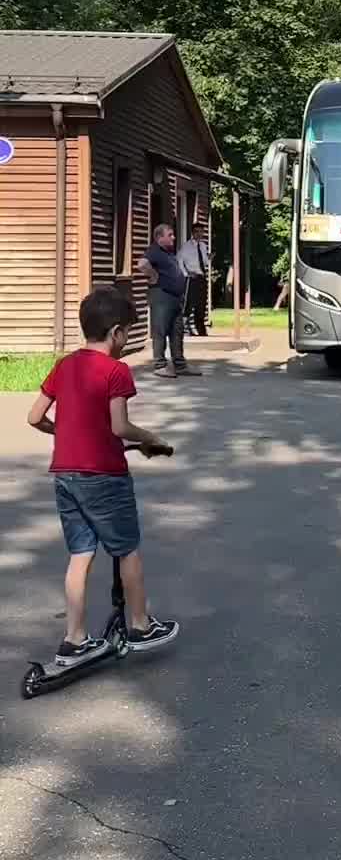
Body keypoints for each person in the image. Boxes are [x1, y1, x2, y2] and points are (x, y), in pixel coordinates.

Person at [26, 287, 179, 664]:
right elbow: (120, 427)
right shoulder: (115, 370)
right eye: (127, 331)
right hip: (104, 476)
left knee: (80, 554)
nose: (127, 339)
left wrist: (60, 432)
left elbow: (34, 417)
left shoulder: (65, 366)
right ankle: (141, 624)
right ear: (116, 333)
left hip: (65, 475)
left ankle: (75, 638)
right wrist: (151, 438)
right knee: (126, 548)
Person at [138, 222, 200, 377]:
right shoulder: (154, 251)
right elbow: (142, 264)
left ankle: (179, 365)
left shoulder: (169, 253)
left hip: (175, 297)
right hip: (161, 296)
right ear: (159, 237)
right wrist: (153, 276)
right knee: (160, 330)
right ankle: (160, 365)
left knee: (177, 332)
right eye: (170, 235)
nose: (173, 237)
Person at [178, 222, 210, 336]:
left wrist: (209, 258)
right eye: (197, 232)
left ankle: (201, 329)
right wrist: (186, 273)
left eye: (201, 232)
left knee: (201, 304)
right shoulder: (186, 246)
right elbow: (179, 260)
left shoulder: (203, 245)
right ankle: (183, 328)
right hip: (191, 278)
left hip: (201, 277)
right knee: (189, 303)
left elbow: (204, 261)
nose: (199, 234)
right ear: (193, 233)